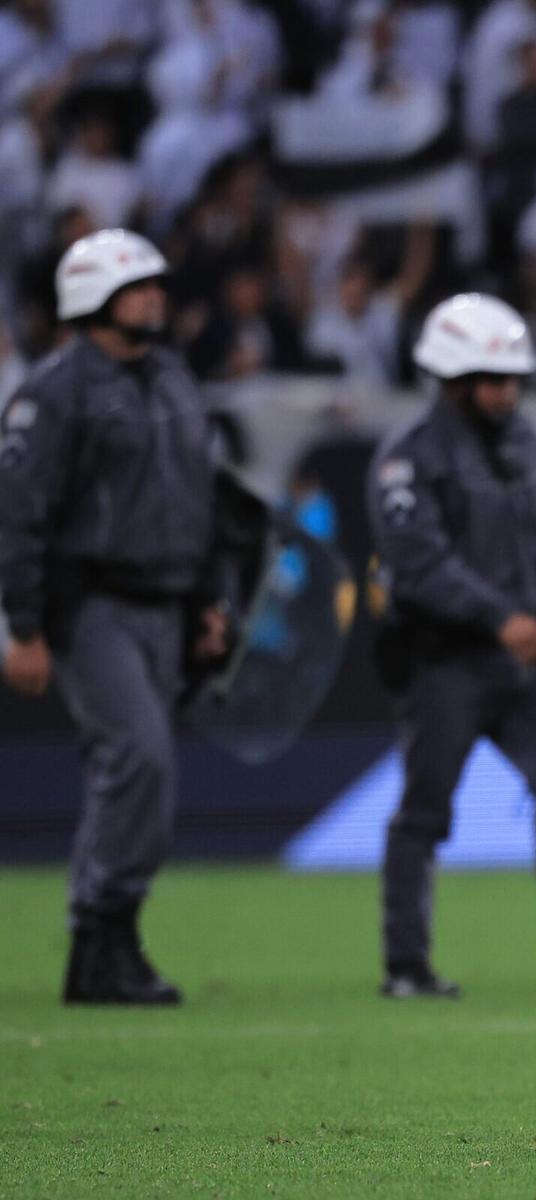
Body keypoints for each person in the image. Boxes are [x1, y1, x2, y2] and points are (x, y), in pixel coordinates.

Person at [367, 292, 536, 999]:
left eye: (512, 379)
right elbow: (419, 564)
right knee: (425, 810)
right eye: (490, 380)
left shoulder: (525, 444)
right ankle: (406, 964)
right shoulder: (408, 458)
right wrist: (499, 618)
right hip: (445, 660)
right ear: (451, 380)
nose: (506, 391)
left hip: (528, 656)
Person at [0, 229, 229, 1005]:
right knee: (137, 754)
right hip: (91, 600)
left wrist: (206, 598)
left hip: (165, 601)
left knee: (143, 775)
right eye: (138, 288)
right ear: (91, 298)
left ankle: (110, 941)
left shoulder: (172, 378)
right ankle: (98, 934)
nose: (155, 297)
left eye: (156, 285)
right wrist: (23, 626)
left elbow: (197, 497)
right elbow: (18, 515)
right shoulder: (52, 393)